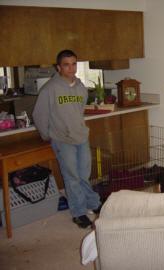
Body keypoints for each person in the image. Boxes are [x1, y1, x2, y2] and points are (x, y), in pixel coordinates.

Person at [32, 49, 101, 229]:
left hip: (81, 137)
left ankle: (92, 204)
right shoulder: (50, 89)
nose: (71, 68)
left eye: (74, 64)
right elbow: (39, 115)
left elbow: (78, 112)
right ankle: (78, 213)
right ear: (58, 67)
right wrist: (47, 135)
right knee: (72, 177)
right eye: (66, 65)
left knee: (84, 175)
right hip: (62, 140)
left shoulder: (80, 87)